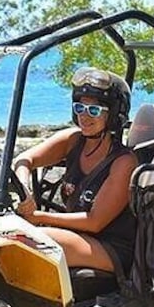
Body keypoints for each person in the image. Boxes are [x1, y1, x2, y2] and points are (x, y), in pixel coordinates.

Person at [14, 67, 138, 278]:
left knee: (29, 240)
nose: (84, 116)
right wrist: (24, 189)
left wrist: (38, 217)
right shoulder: (73, 140)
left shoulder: (123, 162)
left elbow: (94, 222)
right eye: (79, 108)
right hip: (79, 235)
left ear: (113, 114)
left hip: (111, 247)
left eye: (94, 110)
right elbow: (24, 160)